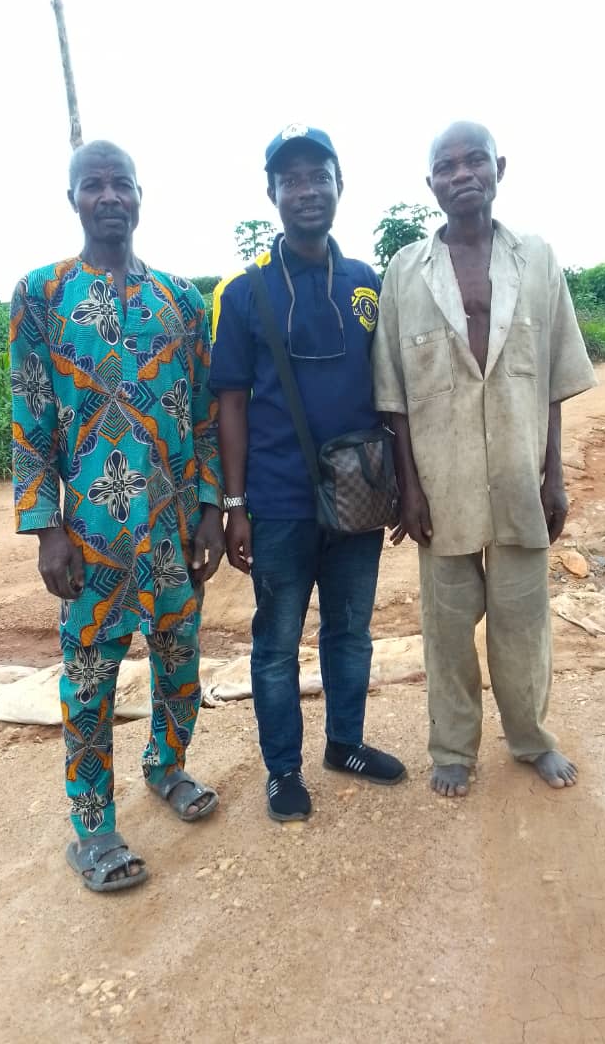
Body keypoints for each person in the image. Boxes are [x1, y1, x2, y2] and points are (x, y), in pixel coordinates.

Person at [10, 140, 224, 891]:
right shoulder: (41, 294)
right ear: (73, 198)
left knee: (180, 662)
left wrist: (210, 511)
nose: (109, 196)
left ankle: (167, 767)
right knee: (90, 679)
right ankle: (93, 826)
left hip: (173, 531)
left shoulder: (182, 300)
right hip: (92, 537)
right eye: (93, 184)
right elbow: (31, 416)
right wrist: (47, 529)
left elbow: (203, 417)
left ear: (140, 196)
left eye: (121, 184)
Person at [373, 121, 597, 799]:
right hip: (441, 483)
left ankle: (531, 739)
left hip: (519, 479)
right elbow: (394, 396)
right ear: (431, 184)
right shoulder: (405, 271)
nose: (463, 174)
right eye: (447, 167)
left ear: (500, 167)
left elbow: (553, 377)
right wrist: (409, 490)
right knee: (446, 629)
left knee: (524, 623)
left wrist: (554, 475)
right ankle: (452, 748)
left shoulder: (538, 259)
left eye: (475, 161)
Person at [210, 125, 405, 821]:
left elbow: (393, 393)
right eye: (290, 179)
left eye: (318, 175)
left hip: (357, 499)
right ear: (273, 194)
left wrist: (400, 486)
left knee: (351, 631)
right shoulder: (245, 293)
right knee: (276, 644)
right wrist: (235, 503)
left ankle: (345, 745)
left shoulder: (367, 285)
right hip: (279, 503)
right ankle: (283, 771)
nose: (306, 190)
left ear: (338, 185)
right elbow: (231, 404)